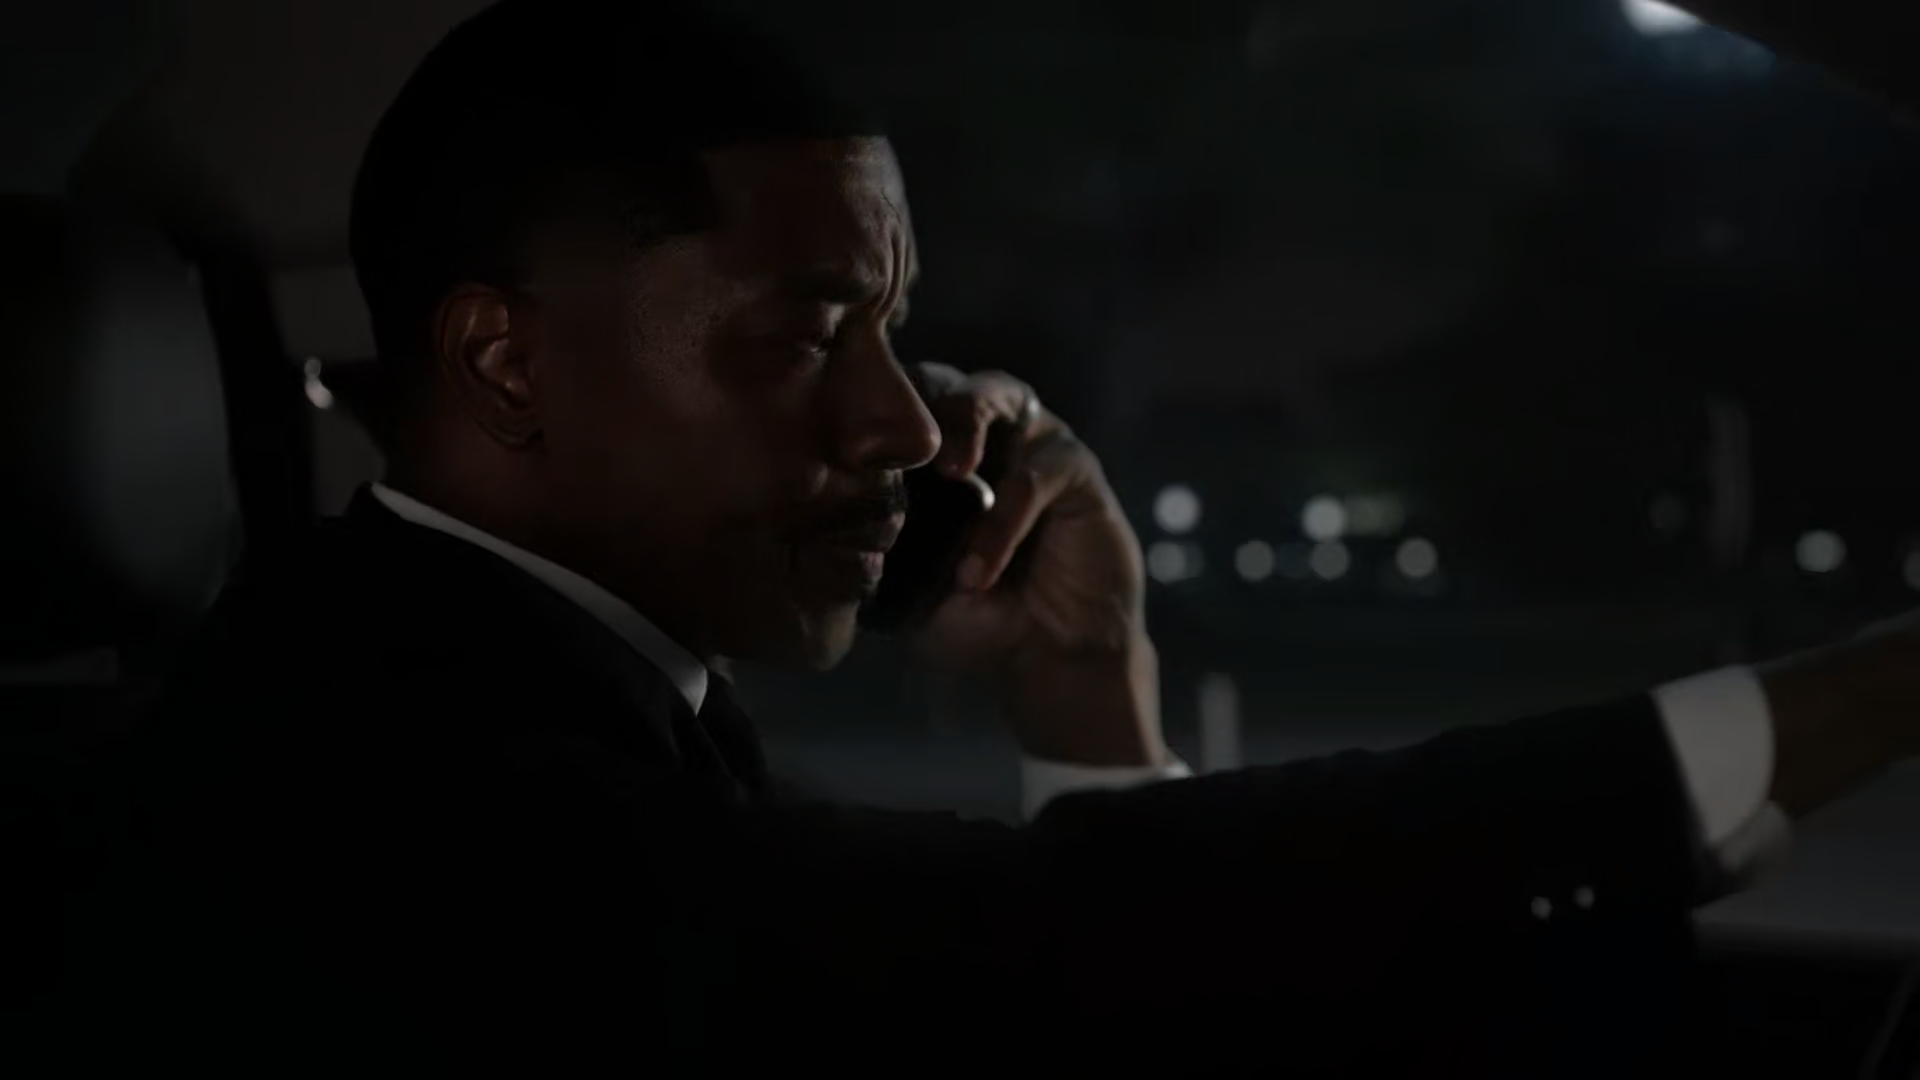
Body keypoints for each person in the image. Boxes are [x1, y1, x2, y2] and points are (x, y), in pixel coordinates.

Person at [105, 0, 1920, 1074]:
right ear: (505, 363)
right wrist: (1867, 697)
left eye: (892, 332)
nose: (907, 422)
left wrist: (1079, 688)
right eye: (804, 337)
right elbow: (1031, 960)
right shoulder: (372, 760)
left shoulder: (552, 690)